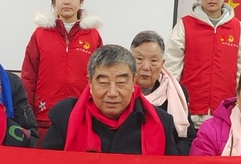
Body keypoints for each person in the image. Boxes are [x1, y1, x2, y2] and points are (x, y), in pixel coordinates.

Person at [41, 44, 177, 155]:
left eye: (121, 83)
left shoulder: (162, 122)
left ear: (133, 82)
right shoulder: (65, 116)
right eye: (103, 83)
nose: (112, 93)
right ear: (90, 82)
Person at [164, 0, 241, 128]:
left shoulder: (237, 28)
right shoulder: (185, 25)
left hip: (226, 114)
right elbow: (172, 70)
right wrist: (173, 104)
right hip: (188, 113)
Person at [21, 0, 103, 142]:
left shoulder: (93, 36)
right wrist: (27, 113)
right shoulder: (40, 34)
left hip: (83, 116)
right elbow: (29, 77)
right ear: (54, 2)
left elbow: (100, 77)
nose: (66, 1)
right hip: (44, 118)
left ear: (80, 1)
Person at [130, 31, 197, 155]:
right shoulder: (120, 93)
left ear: (162, 64)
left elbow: (187, 139)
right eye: (139, 59)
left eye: (154, 61)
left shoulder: (176, 92)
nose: (146, 67)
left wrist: (170, 160)